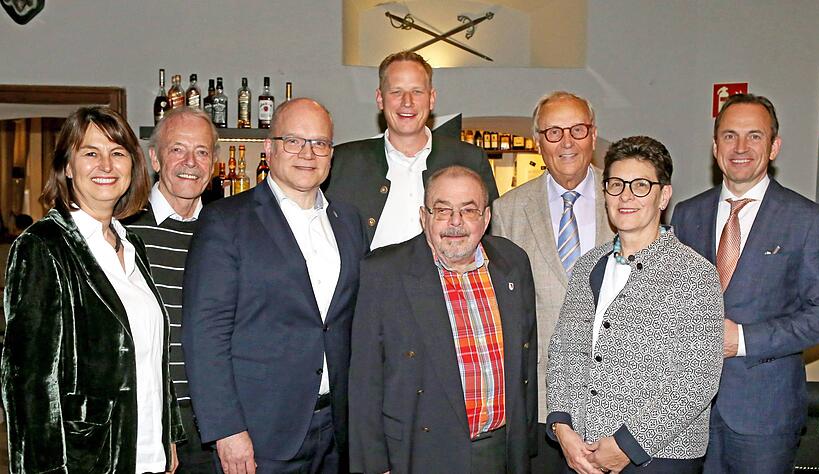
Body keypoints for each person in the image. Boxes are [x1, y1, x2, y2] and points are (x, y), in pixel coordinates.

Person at [182, 98, 365, 474]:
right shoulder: (225, 222)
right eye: (294, 141)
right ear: (269, 148)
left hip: (337, 430)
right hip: (259, 433)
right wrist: (227, 430)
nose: (308, 153)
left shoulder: (350, 222)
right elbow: (205, 334)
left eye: (320, 143)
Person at [1, 106, 184, 473]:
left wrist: (167, 436)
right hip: (86, 460)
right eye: (90, 153)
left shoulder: (132, 246)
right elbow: (28, 387)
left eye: (117, 153)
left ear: (132, 166)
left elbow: (150, 358)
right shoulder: (43, 247)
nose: (106, 165)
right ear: (67, 167)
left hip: (146, 453)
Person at [671, 94, 819, 474]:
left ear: (774, 147)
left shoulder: (807, 219)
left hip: (765, 418)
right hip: (686, 411)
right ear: (714, 147)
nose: (740, 148)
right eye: (729, 136)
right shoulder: (686, 215)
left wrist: (741, 340)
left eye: (754, 136)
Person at [547, 136, 724, 474]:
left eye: (641, 185)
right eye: (616, 185)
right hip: (583, 452)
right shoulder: (588, 265)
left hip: (661, 458)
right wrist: (562, 426)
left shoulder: (695, 274)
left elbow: (696, 379)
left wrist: (627, 445)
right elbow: (565, 352)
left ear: (664, 195)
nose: (626, 196)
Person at [349, 165, 537, 474]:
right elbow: (365, 383)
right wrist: (374, 465)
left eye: (469, 210)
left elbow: (526, 361)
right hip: (418, 453)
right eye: (442, 210)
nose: (455, 222)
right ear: (424, 217)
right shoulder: (384, 272)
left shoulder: (512, 263)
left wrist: (524, 443)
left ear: (486, 218)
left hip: (498, 451)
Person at [491, 91, 614, 474]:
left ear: (593, 136)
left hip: (620, 402)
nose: (567, 142)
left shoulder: (625, 198)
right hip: (541, 402)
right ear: (539, 142)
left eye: (577, 129)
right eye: (554, 131)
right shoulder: (507, 210)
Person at [125, 106, 219, 473]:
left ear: (213, 162)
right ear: (154, 157)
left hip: (217, 414)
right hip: (151, 414)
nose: (190, 162)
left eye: (201, 151)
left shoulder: (226, 229)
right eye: (177, 149)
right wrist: (156, 420)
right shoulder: (124, 229)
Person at [325, 51, 498, 250]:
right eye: (396, 92)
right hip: (369, 281)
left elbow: (491, 237)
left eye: (417, 91)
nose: (407, 102)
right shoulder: (344, 162)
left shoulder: (469, 159)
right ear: (380, 99)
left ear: (431, 98)